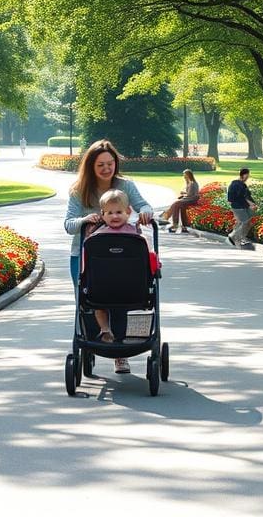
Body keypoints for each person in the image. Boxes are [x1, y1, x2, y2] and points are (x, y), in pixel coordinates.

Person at [64, 139, 153, 374]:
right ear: (91, 166)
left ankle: (119, 355)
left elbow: (144, 205)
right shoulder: (79, 190)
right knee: (88, 300)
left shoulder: (125, 186)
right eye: (100, 165)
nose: (106, 169)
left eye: (110, 163)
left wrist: (145, 213)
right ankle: (93, 343)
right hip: (85, 255)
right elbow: (69, 224)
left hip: (123, 256)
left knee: (120, 299)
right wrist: (86, 220)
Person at [87, 189, 156, 351]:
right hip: (123, 289)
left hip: (116, 288)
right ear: (102, 215)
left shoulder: (136, 234)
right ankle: (105, 330)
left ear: (128, 212)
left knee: (99, 303)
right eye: (110, 213)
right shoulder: (97, 236)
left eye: (119, 212)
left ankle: (118, 333)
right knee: (100, 305)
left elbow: (148, 256)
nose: (115, 216)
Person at [161, 169, 199, 233]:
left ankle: (168, 218)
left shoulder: (192, 183)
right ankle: (178, 224)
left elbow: (190, 195)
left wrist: (183, 194)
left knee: (176, 203)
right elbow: (189, 193)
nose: (183, 176)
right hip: (189, 198)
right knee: (177, 205)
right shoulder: (189, 182)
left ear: (188, 175)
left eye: (184, 175)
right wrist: (183, 193)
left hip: (192, 199)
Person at [227, 167, 257, 247]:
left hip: (240, 206)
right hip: (238, 207)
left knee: (247, 223)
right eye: (247, 176)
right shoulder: (238, 185)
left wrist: (252, 203)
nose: (247, 178)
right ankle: (233, 236)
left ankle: (242, 238)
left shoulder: (238, 184)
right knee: (245, 222)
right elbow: (241, 198)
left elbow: (245, 197)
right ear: (243, 175)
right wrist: (250, 204)